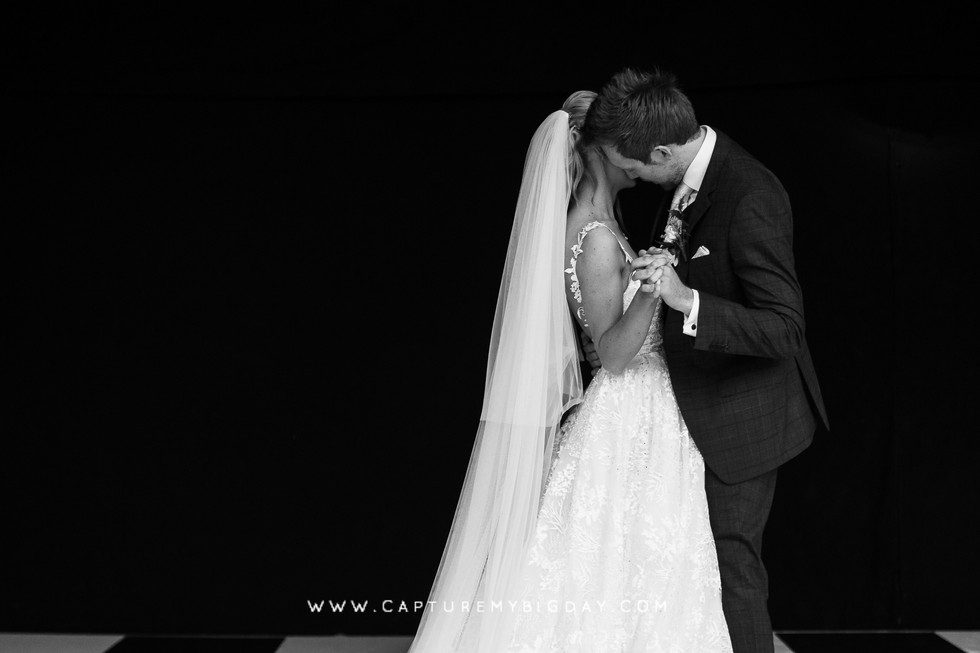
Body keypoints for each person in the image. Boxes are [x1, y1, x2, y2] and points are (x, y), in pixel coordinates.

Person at [408, 90, 732, 653]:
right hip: (632, 415)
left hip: (641, 413)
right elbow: (612, 353)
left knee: (632, 564)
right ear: (606, 152)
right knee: (629, 566)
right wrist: (657, 287)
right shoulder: (595, 237)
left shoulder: (603, 222)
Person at [580, 68, 830, 653]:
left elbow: (785, 330)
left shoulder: (751, 194)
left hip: (745, 415)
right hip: (689, 403)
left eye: (634, 165)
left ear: (663, 149)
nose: (631, 176)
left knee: (730, 570)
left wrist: (683, 298)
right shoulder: (682, 176)